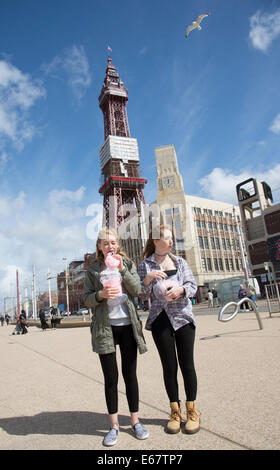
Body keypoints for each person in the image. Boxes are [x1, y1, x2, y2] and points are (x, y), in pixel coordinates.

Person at [83, 227, 148, 447]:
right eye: (106, 243)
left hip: (127, 326)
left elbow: (137, 289)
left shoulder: (126, 263)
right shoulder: (93, 270)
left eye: (113, 242)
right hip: (105, 328)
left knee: (130, 375)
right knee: (111, 379)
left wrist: (122, 270)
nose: (110, 246)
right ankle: (113, 426)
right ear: (99, 247)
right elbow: (87, 300)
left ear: (117, 245)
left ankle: (135, 422)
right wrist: (100, 295)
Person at [138, 225, 200, 435]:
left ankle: (192, 411)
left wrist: (181, 290)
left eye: (172, 238)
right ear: (156, 241)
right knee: (169, 366)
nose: (171, 241)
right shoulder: (145, 265)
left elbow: (193, 285)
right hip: (160, 320)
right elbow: (141, 294)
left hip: (183, 317)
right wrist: (147, 280)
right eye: (167, 238)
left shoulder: (180, 262)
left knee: (187, 365)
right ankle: (175, 412)